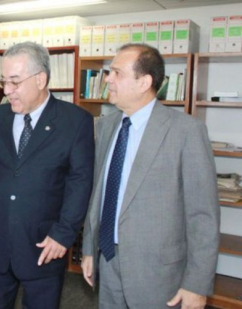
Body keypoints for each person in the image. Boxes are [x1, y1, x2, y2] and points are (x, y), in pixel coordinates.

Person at [0, 42, 94, 308]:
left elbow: (80, 182)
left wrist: (64, 234)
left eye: (15, 82)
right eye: (4, 81)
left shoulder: (75, 122)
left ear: (40, 79)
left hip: (44, 244)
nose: (7, 91)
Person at [81, 43, 220, 308]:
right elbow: (98, 193)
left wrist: (196, 284)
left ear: (144, 82)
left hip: (158, 273)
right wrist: (89, 248)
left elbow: (203, 216)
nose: (108, 79)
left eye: (117, 73)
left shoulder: (186, 131)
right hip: (107, 260)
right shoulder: (107, 125)